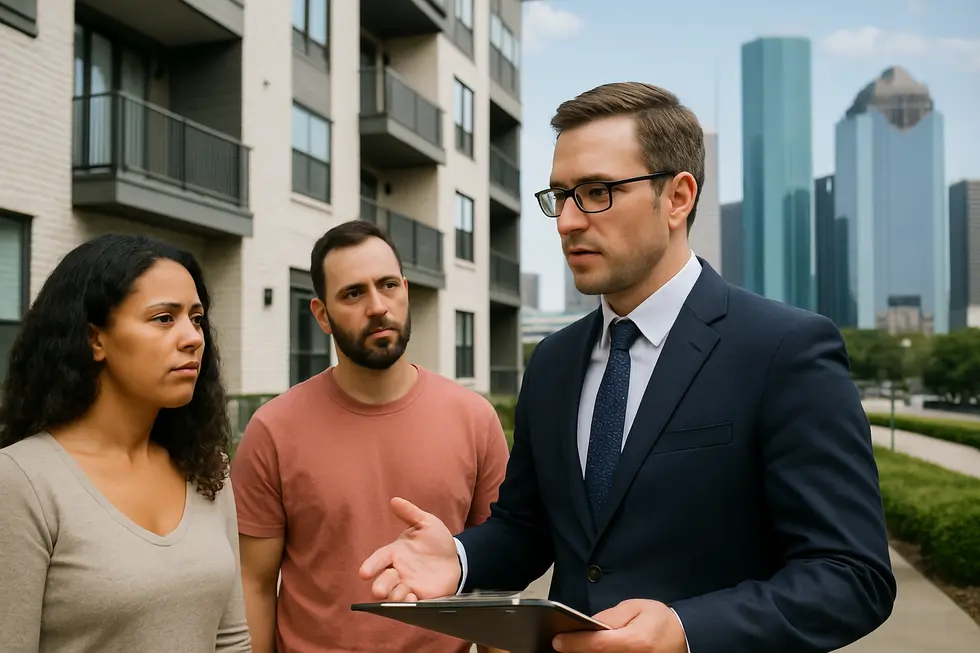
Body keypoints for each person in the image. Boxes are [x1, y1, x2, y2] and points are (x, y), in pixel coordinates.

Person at [359, 82, 897, 653]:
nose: (566, 222)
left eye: (596, 191)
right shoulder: (553, 361)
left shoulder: (784, 350)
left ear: (678, 198)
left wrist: (688, 631)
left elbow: (851, 576)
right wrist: (462, 558)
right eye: (559, 196)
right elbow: (529, 528)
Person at [230, 219, 510, 653]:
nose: (378, 306)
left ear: (406, 291)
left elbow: (493, 575)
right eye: (353, 293)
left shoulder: (474, 419)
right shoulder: (273, 430)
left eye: (388, 286)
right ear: (322, 315)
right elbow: (255, 584)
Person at [0, 234, 251, 653]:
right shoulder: (21, 482)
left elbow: (232, 641)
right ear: (95, 339)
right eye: (163, 318)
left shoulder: (208, 469)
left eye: (196, 317)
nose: (193, 337)